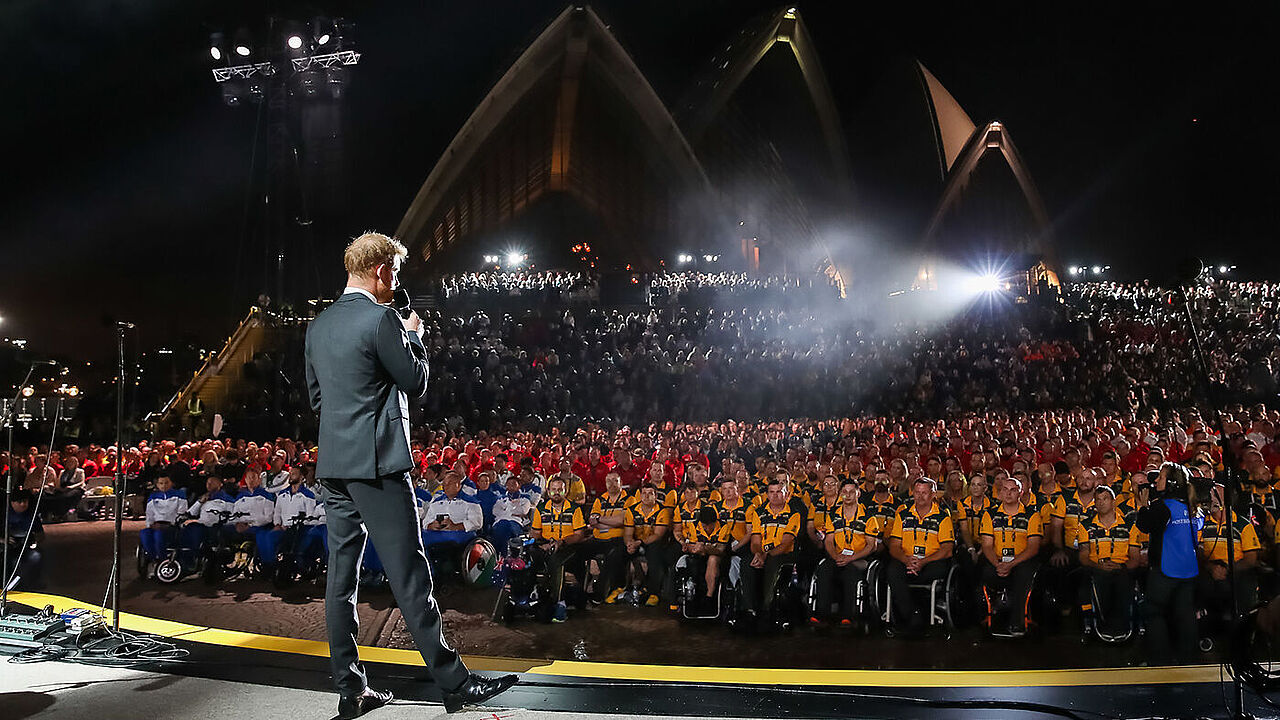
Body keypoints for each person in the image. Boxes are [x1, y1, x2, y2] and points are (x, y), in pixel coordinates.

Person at [305, 231, 515, 718]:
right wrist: (414, 335)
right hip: (377, 465)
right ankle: (455, 683)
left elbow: (318, 400)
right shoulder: (382, 320)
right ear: (380, 271)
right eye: (394, 274)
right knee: (410, 575)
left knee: (341, 581)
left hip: (333, 465)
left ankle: (350, 688)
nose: (395, 283)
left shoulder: (317, 326)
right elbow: (415, 382)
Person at [1135, 461, 1203, 663]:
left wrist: (1142, 506)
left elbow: (1145, 525)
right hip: (1189, 571)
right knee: (1185, 615)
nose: (1156, 480)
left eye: (1161, 477)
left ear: (1172, 482)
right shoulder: (1192, 507)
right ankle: (1189, 661)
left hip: (1165, 571)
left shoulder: (1163, 507)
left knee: (1153, 612)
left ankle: (1159, 662)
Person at [885, 477, 955, 634]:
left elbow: (947, 549)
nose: (920, 496)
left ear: (933, 494)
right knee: (892, 570)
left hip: (931, 561)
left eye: (924, 493)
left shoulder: (943, 517)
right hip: (907, 560)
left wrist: (923, 562)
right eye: (917, 492)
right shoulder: (902, 515)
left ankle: (917, 614)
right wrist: (906, 560)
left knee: (933, 570)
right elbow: (894, 546)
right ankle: (912, 616)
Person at [812, 479, 881, 626]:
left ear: (858, 493)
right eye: (844, 492)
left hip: (860, 558)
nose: (848, 495)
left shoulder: (869, 516)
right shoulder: (832, 515)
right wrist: (836, 556)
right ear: (840, 494)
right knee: (824, 568)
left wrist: (851, 558)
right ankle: (821, 615)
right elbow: (829, 541)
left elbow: (872, 546)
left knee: (851, 570)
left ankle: (848, 616)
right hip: (838, 556)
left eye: (851, 492)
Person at [979, 476, 1042, 635]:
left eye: (1013, 490)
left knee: (1023, 574)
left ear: (1020, 492)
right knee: (986, 572)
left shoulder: (1032, 515)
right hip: (997, 561)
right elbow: (986, 545)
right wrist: (998, 564)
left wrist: (1011, 564)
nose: (1008, 494)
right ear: (999, 493)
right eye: (1004, 490)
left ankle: (1017, 622)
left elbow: (1033, 548)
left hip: (1021, 561)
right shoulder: (990, 514)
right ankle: (992, 616)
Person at [1075, 485, 1137, 638]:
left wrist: (1121, 566)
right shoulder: (1085, 525)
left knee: (1123, 579)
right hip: (1096, 567)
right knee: (1093, 579)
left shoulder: (1129, 525)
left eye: (1105, 499)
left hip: (1121, 568)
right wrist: (1098, 565)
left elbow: (1135, 558)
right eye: (1098, 500)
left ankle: (1122, 625)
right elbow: (1083, 556)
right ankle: (1101, 625)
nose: (1101, 503)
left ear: (1114, 501)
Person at [739, 476, 802, 621]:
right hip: (762, 553)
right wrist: (758, 554)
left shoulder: (794, 513)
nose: (775, 495)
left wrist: (765, 555)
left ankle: (766, 608)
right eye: (772, 492)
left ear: (786, 495)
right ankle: (748, 608)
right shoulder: (759, 513)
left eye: (779, 492)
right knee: (745, 563)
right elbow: (755, 541)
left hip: (784, 554)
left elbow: (786, 543)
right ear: (767, 495)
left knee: (773, 563)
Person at [530, 475, 587, 622]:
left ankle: (559, 602)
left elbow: (579, 535)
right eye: (553, 490)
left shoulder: (574, 509)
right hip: (546, 545)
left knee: (557, 560)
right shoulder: (541, 509)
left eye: (560, 490)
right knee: (528, 556)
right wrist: (541, 543)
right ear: (548, 492)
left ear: (565, 491)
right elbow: (535, 532)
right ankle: (532, 596)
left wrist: (561, 542)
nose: (556, 493)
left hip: (569, 547)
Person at [139, 474, 189, 571]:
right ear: (157, 485)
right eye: (161, 483)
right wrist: (151, 525)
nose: (164, 485)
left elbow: (182, 513)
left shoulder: (180, 495)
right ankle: (154, 558)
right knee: (144, 533)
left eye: (166, 483)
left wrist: (170, 524)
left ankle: (162, 560)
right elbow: (149, 514)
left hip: (172, 526)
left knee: (159, 534)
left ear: (172, 483)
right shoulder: (153, 497)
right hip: (156, 525)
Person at [5, 489, 44, 589]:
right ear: (12, 503)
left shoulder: (32, 515)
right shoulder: (4, 514)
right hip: (6, 546)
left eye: (25, 501)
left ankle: (30, 584)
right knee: (12, 561)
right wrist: (3, 539)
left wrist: (35, 540)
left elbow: (41, 534)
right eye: (19, 502)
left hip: (25, 545)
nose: (23, 504)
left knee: (35, 557)